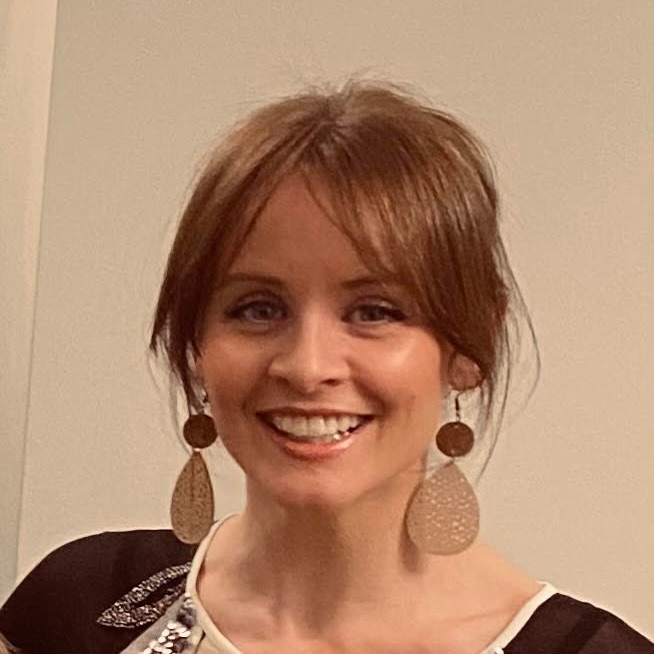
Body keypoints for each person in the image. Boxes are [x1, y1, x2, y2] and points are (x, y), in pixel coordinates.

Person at [0, 80, 651, 654]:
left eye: (375, 311)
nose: (308, 367)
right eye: (257, 308)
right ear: (196, 340)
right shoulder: (74, 609)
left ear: (467, 348)